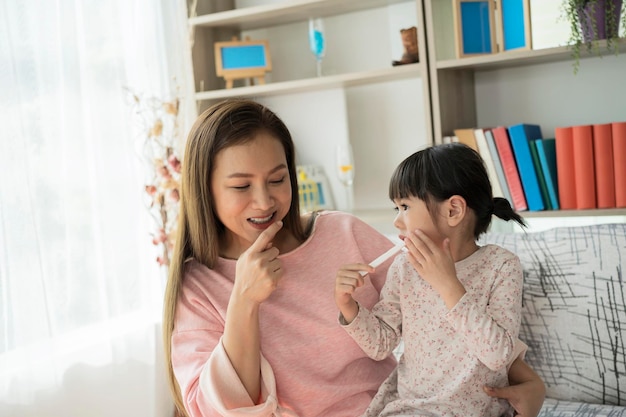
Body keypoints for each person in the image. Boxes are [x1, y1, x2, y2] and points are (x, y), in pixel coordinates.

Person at [162, 99, 546, 417]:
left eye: (278, 180)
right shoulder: (197, 286)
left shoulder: (342, 232)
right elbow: (215, 410)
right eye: (241, 186)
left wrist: (526, 380)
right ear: (204, 189)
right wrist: (243, 301)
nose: (265, 201)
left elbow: (439, 318)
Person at [335, 142, 533, 416]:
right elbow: (381, 345)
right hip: (411, 409)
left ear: (453, 210)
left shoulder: (501, 266)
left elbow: (498, 355)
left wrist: (448, 285)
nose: (397, 221)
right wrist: (348, 306)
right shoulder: (404, 268)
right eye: (396, 209)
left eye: (405, 206)